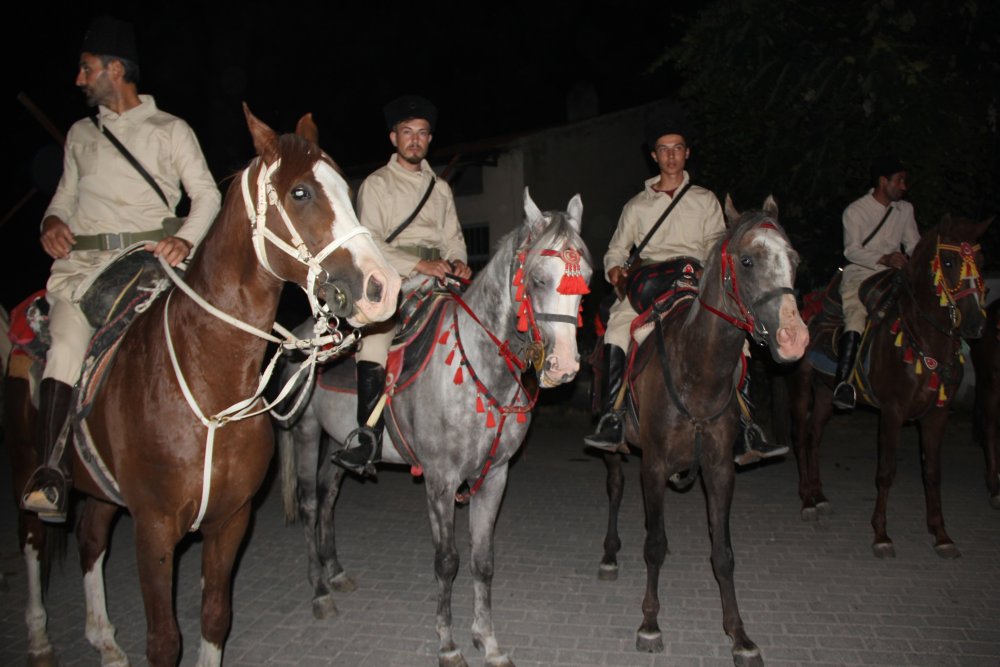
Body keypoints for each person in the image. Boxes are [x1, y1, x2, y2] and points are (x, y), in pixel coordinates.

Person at [21, 16, 221, 522]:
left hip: (150, 266)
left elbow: (206, 196)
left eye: (86, 68)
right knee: (65, 347)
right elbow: (63, 198)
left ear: (115, 69)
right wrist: (51, 222)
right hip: (83, 270)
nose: (79, 79)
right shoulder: (80, 135)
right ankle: (50, 472)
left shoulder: (170, 129)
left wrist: (185, 238)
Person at [584, 118, 787, 464]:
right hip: (649, 283)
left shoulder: (705, 200)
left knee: (738, 336)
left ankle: (747, 428)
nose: (671, 156)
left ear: (687, 153)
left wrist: (709, 272)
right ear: (654, 156)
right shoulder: (637, 205)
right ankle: (613, 418)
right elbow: (616, 250)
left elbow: (715, 245)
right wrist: (615, 267)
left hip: (695, 279)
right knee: (617, 329)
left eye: (677, 148)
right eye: (664, 150)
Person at [331, 95, 472, 475]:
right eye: (407, 132)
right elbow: (371, 241)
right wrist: (418, 264)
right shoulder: (377, 184)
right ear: (394, 138)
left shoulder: (439, 188)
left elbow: (453, 237)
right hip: (394, 275)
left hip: (440, 276)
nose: (415, 140)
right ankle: (367, 436)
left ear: (430, 139)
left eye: (422, 133)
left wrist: (459, 260)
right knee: (376, 339)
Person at [833, 155, 920, 410]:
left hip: (895, 274)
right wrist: (884, 258)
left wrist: (919, 262)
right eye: (899, 181)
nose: (904, 186)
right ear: (883, 181)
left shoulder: (905, 210)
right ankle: (844, 383)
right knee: (855, 316)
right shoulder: (855, 211)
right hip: (861, 274)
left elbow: (913, 244)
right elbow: (851, 251)